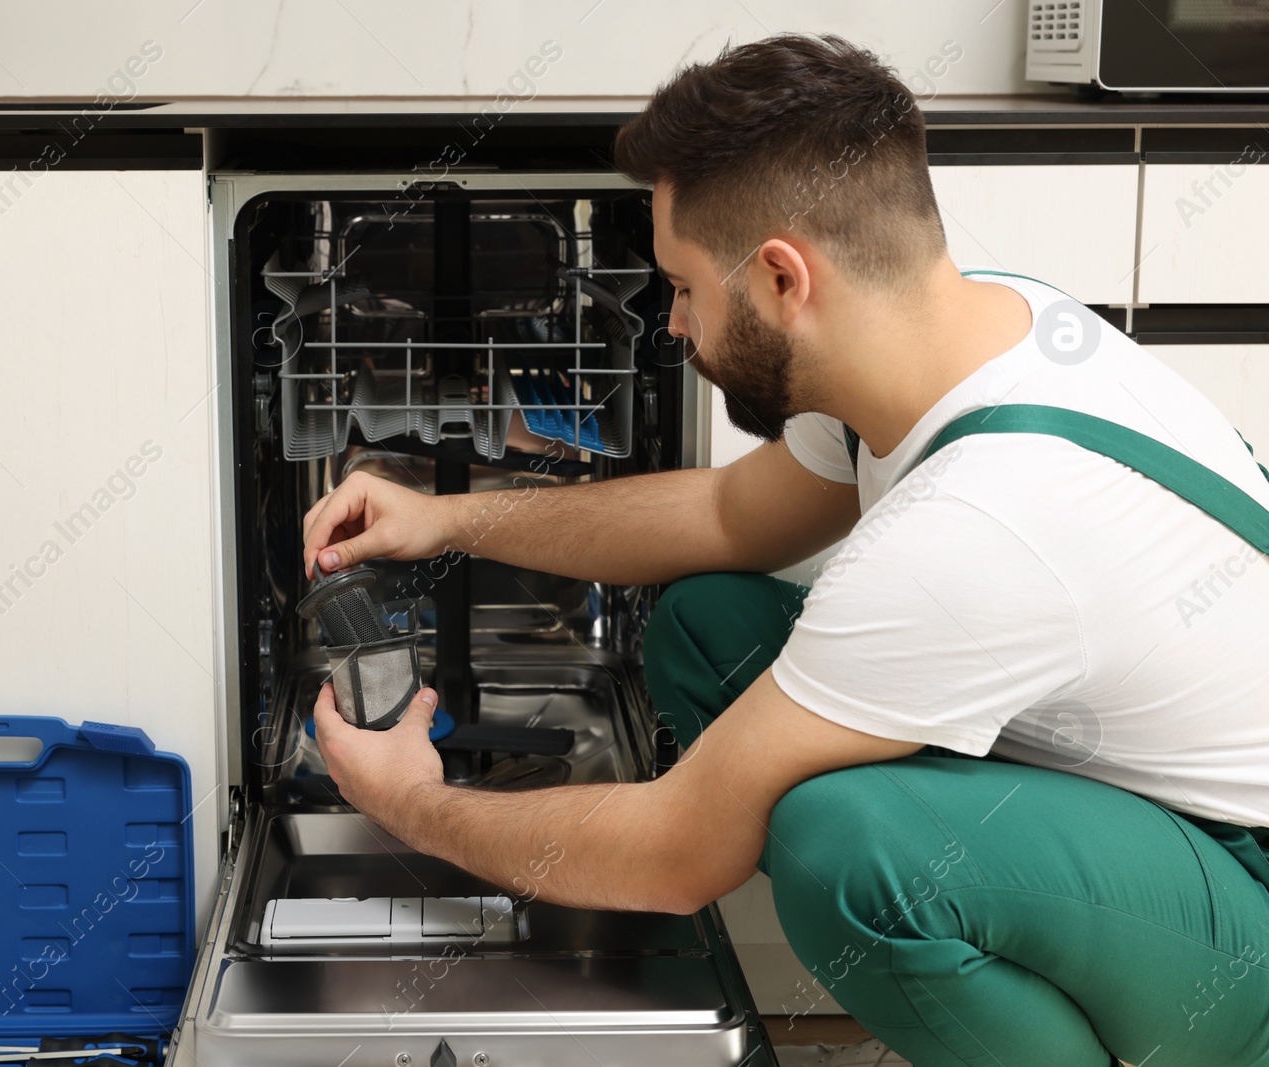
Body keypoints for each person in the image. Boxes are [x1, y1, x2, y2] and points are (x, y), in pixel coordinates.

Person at [300, 33, 1269, 1067]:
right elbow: (723, 514)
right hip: (1132, 804)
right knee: (704, 624)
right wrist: (446, 517)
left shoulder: (977, 527)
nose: (670, 324)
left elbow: (678, 853)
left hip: (1240, 894)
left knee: (845, 852)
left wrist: (408, 799)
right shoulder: (960, 329)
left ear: (778, 278)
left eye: (680, 286)